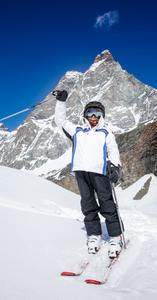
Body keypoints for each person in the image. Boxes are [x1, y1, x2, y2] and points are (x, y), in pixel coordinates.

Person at [53, 90, 123, 259]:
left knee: (107, 204)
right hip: (81, 172)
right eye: (90, 113)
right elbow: (60, 121)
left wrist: (115, 166)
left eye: (97, 113)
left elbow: (113, 150)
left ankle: (115, 237)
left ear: (102, 116)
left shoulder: (106, 132)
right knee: (88, 205)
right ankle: (94, 235)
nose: (93, 117)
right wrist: (61, 102)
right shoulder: (77, 130)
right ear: (85, 115)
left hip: (100, 173)